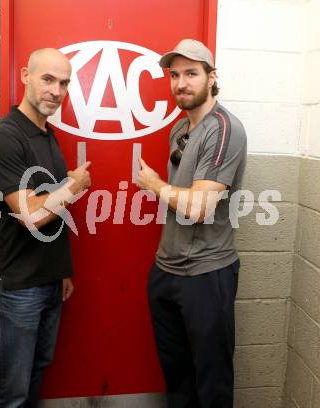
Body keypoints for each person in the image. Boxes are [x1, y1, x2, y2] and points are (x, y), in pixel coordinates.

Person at [135, 39, 247, 408]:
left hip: (205, 273)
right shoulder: (180, 130)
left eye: (191, 74)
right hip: (167, 271)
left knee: (212, 386)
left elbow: (199, 207)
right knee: (178, 382)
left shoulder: (224, 129)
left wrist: (152, 183)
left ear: (212, 78)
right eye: (175, 74)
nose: (180, 83)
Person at [0, 48, 91, 407]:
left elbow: (51, 215)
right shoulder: (4, 137)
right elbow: (34, 216)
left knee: (36, 373)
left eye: (63, 83)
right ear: (25, 75)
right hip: (13, 287)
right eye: (47, 79)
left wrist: (61, 271)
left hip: (46, 281)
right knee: (10, 393)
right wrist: (75, 186)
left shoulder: (46, 135)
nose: (56, 90)